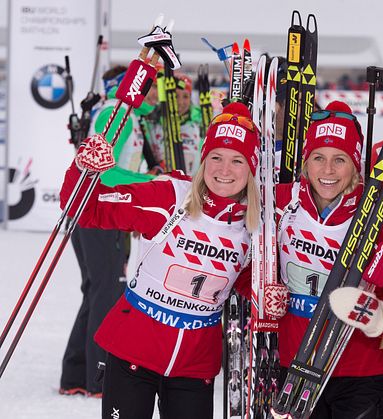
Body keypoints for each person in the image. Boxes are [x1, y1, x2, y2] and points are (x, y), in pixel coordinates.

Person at [60, 102, 261, 418]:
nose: (224, 170)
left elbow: (252, 284)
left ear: (251, 169)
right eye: (216, 158)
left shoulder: (255, 227)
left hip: (194, 364)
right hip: (133, 352)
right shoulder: (169, 196)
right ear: (204, 160)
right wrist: (84, 171)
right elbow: (86, 209)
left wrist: (271, 296)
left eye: (237, 161)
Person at [274, 100, 383, 418]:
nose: (328, 170)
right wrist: (264, 292)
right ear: (306, 161)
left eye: (340, 159)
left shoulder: (377, 217)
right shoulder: (281, 203)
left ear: (355, 164)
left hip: (360, 373)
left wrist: (380, 316)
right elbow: (249, 264)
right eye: (318, 158)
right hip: (296, 367)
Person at [59, 65, 156, 397]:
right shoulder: (118, 116)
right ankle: (96, 378)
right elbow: (107, 176)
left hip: (99, 212)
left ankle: (74, 374)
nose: (155, 96)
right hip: (96, 212)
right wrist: (154, 184)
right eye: (151, 88)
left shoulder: (128, 118)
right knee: (105, 290)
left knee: (96, 289)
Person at [150, 73, 204, 175]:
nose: (180, 102)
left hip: (191, 186)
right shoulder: (153, 124)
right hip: (160, 184)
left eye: (185, 96)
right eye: (175, 96)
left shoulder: (199, 125)